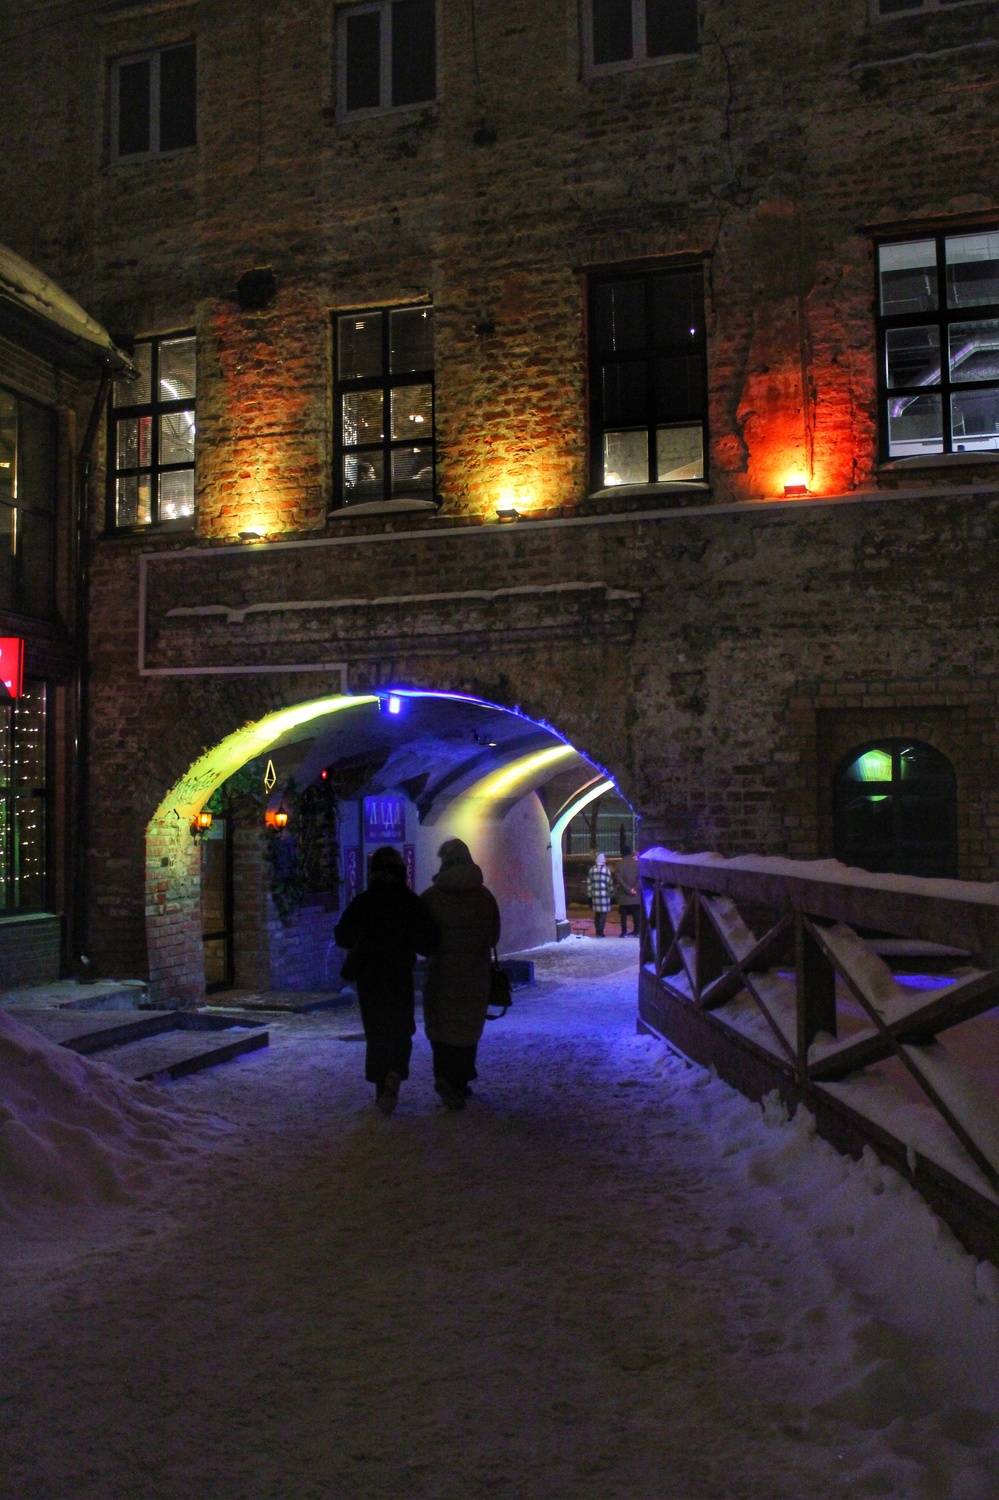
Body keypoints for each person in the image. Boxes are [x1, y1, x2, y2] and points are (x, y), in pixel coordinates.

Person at [334, 845, 438, 1115]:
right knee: (401, 1028)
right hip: (399, 973)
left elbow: (343, 936)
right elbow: (428, 942)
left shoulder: (364, 901)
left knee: (377, 1030)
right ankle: (396, 1070)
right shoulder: (410, 902)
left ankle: (382, 1085)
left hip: (370, 976)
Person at [420, 838, 501, 1110]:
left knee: (441, 1027)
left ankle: (443, 1076)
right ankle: (460, 1079)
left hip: (440, 975)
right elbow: (494, 936)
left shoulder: (431, 898)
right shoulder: (484, 897)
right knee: (467, 1028)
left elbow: (422, 939)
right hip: (474, 975)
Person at [585, 850, 614, 937]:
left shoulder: (591, 870)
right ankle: (600, 931)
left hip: (595, 896)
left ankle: (597, 930)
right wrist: (612, 894)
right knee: (603, 915)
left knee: (597, 914)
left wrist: (589, 896)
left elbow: (589, 884)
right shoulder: (606, 870)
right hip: (604, 896)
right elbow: (610, 884)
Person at [614, 843, 641, 936]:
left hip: (624, 895)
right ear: (630, 852)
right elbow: (641, 877)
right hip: (636, 895)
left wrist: (628, 889)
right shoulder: (637, 863)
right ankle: (637, 931)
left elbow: (619, 879)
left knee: (623, 915)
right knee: (636, 914)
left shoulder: (619, 864)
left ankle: (624, 931)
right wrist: (634, 888)